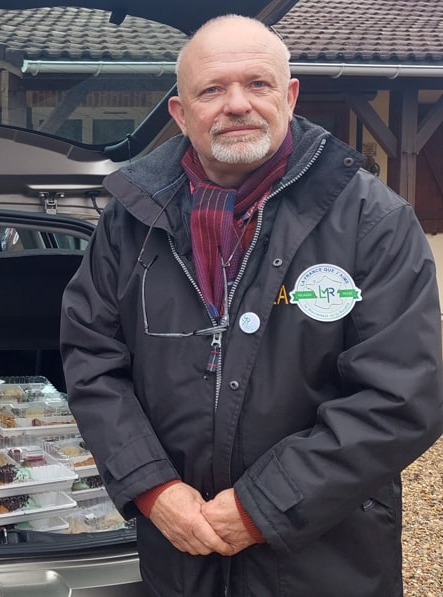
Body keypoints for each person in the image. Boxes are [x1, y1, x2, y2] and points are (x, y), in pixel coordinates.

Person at [61, 14, 442, 597]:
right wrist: (151, 487)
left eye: (257, 84)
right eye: (211, 89)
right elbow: (92, 356)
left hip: (323, 559)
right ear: (180, 114)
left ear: (290, 96)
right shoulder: (129, 222)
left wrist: (264, 506)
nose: (236, 103)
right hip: (179, 556)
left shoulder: (373, 221)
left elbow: (403, 393)